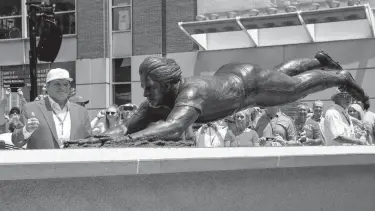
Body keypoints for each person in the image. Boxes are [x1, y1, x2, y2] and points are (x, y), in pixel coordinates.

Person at [71, 51, 369, 145]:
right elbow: (124, 128)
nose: (145, 94)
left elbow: (173, 128)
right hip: (234, 78)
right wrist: (96, 140)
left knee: (294, 89)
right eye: (145, 87)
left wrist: (128, 141)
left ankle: (338, 76)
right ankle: (316, 61)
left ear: (169, 83)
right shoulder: (157, 101)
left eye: (150, 87)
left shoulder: (190, 95)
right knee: (282, 76)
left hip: (246, 83)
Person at [12, 68, 92, 149]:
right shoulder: (30, 109)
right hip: (43, 161)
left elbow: (90, 142)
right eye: (57, 84)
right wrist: (26, 130)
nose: (62, 88)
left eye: (65, 84)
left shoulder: (81, 112)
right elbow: (16, 141)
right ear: (47, 86)